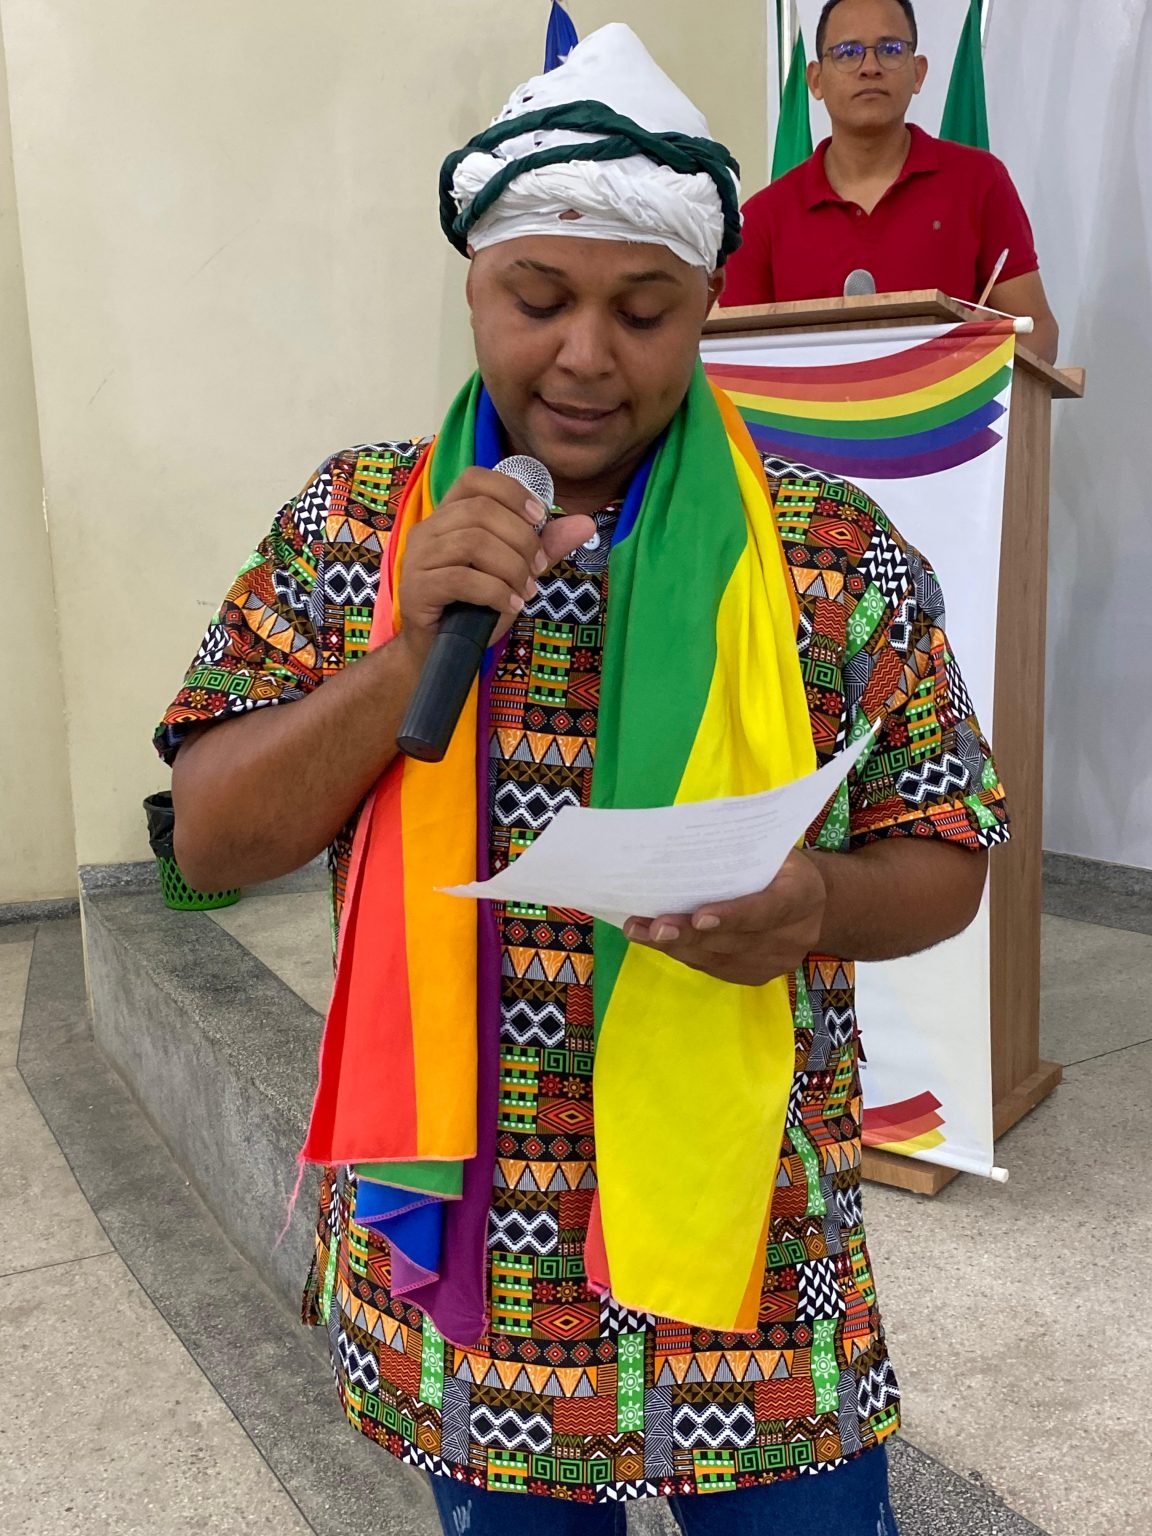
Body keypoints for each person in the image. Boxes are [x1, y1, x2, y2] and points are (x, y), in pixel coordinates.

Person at [156, 23, 1009, 1536]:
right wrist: (402, 655)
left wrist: (814, 903)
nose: (587, 357)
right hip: (478, 1269)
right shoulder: (355, 525)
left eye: (646, 311)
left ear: (709, 308)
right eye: (539, 300)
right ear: (475, 287)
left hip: (753, 1250)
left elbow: (949, 852)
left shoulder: (828, 553)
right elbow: (209, 842)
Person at [722, 0, 1060, 363]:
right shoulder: (763, 218)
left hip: (953, 398)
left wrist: (984, 357)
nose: (870, 67)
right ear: (816, 80)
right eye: (848, 52)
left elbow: (1039, 330)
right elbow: (733, 358)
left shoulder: (979, 182)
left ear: (918, 73)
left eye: (890, 49)